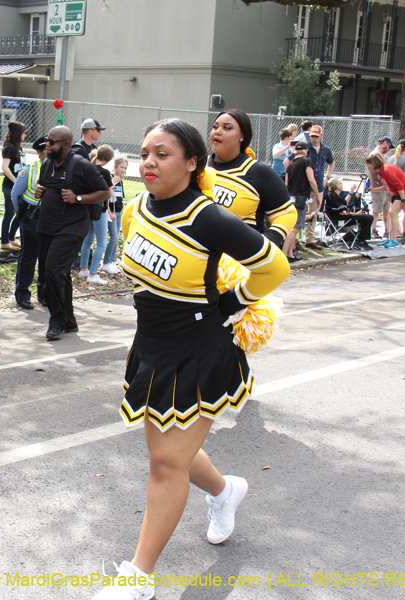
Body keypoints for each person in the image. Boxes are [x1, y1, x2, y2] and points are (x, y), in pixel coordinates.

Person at [93, 118, 289, 600]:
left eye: (162, 154)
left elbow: (274, 266)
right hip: (152, 345)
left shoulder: (207, 218)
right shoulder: (136, 208)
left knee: (164, 462)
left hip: (200, 350)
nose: (149, 162)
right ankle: (225, 492)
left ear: (192, 163)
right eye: (144, 153)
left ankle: (138, 578)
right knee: (168, 452)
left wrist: (231, 301)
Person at [34, 125, 109, 341]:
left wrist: (78, 198)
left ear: (66, 144)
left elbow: (105, 192)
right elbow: (47, 186)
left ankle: (56, 321)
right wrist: (42, 190)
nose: (47, 145)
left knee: (53, 272)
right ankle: (69, 320)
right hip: (47, 226)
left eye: (52, 142)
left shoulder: (81, 165)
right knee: (59, 275)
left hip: (71, 228)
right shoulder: (48, 163)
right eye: (48, 140)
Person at [208, 109, 296, 249]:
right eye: (215, 126)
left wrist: (263, 244)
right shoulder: (197, 167)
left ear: (242, 136)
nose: (218, 131)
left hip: (237, 264)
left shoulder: (258, 172)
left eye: (227, 128)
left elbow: (287, 213)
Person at [11, 136, 48, 310]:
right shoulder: (30, 169)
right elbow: (15, 194)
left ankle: (44, 294)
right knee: (28, 256)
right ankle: (23, 294)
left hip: (50, 218)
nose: (50, 152)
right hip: (32, 216)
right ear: (39, 151)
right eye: (46, 150)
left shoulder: (58, 168)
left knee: (46, 257)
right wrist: (24, 213)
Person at [79, 145, 116, 284]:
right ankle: (93, 274)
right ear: (109, 159)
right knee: (101, 242)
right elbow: (110, 193)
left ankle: (84, 269)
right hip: (99, 210)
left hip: (87, 208)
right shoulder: (105, 173)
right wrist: (111, 183)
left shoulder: (88, 168)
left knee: (88, 240)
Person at [365, 154, 405, 248]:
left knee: (393, 213)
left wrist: (403, 199)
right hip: (396, 192)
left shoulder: (387, 170)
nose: (368, 169)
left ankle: (394, 239)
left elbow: (400, 185)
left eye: (369, 166)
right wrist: (374, 189)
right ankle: (390, 238)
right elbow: (387, 187)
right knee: (393, 214)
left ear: (375, 164)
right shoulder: (381, 173)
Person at [282, 140, 318, 261]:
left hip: (290, 197)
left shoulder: (291, 163)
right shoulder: (307, 161)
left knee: (294, 226)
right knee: (296, 227)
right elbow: (311, 180)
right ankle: (285, 254)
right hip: (301, 197)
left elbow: (286, 183)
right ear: (306, 150)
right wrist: (317, 195)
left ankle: (290, 253)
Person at [302, 124, 334, 248]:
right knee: (300, 211)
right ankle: (296, 239)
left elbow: (331, 163)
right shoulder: (305, 148)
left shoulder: (326, 150)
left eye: (316, 136)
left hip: (318, 185)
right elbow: (290, 160)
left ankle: (309, 240)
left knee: (314, 212)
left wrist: (327, 177)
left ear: (321, 136)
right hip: (304, 185)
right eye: (312, 136)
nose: (314, 138)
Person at [324, 178, 373, 251]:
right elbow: (342, 212)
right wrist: (355, 214)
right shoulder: (333, 196)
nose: (342, 185)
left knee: (366, 216)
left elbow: (344, 204)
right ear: (337, 185)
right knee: (368, 218)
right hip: (340, 218)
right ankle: (361, 240)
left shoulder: (336, 195)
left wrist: (351, 191)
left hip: (341, 216)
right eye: (340, 183)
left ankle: (354, 236)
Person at [0, 120, 25, 251]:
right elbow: (5, 167)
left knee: (19, 213)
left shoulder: (17, 148)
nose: (25, 135)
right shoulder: (9, 147)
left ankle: (11, 238)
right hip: (9, 186)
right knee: (9, 214)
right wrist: (16, 181)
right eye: (23, 132)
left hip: (16, 186)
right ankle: (4, 241)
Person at [102, 155, 129, 274]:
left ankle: (111, 261)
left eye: (125, 168)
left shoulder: (121, 181)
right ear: (115, 166)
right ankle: (106, 262)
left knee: (116, 236)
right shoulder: (110, 178)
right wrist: (109, 212)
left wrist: (122, 210)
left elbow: (120, 197)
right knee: (113, 237)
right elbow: (107, 196)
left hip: (118, 210)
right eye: (121, 167)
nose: (123, 170)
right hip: (111, 211)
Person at [367, 136, 393, 240]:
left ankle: (386, 230)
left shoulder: (380, 155)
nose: (389, 150)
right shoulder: (375, 154)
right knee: (376, 210)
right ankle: (373, 230)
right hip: (377, 186)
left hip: (384, 187)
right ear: (385, 143)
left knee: (386, 209)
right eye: (389, 146)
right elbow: (377, 171)